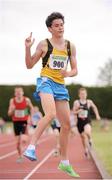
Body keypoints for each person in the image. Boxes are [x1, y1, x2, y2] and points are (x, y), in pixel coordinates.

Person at [23, 12, 80, 178]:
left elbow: (75, 70)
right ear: (50, 28)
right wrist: (27, 48)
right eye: (56, 25)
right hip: (46, 82)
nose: (60, 27)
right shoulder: (44, 44)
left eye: (62, 24)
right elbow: (29, 65)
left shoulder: (71, 46)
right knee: (51, 114)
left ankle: (64, 162)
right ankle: (31, 147)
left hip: (61, 86)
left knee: (67, 125)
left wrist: (67, 73)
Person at [73, 87, 101, 158]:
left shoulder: (89, 102)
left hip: (87, 121)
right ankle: (85, 149)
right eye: (82, 94)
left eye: (84, 94)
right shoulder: (76, 102)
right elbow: (73, 112)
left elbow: (94, 107)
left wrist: (97, 115)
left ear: (86, 94)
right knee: (82, 137)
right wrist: (78, 111)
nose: (83, 95)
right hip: (80, 123)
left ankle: (90, 139)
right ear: (79, 95)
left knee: (87, 131)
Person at [8, 87, 33, 162]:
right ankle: (20, 156)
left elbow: (31, 108)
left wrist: (30, 118)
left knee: (24, 139)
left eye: (20, 92)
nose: (18, 93)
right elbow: (9, 113)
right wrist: (12, 110)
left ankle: (26, 149)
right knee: (17, 142)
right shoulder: (12, 101)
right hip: (16, 122)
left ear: (23, 93)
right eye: (17, 92)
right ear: (15, 93)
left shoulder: (27, 100)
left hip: (24, 121)